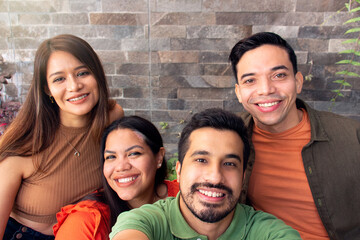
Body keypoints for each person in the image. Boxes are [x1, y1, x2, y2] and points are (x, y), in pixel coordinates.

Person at [229, 32, 360, 240]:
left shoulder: (352, 138)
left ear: (298, 82)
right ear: (238, 92)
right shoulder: (230, 138)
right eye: (250, 80)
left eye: (279, 75)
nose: (265, 90)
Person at [0, 34, 124, 239]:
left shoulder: (112, 116)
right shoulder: (22, 146)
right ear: (47, 89)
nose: (74, 86)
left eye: (82, 73)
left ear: (97, 75)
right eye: (59, 79)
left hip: (87, 229)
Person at [110, 108, 301, 240]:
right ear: (179, 170)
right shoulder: (147, 221)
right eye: (201, 160)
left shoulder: (266, 231)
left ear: (243, 177)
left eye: (229, 163)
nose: (215, 177)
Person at [53, 116, 179, 239]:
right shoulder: (86, 220)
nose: (121, 167)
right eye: (111, 157)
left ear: (159, 157)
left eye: (134, 154)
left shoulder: (185, 197)